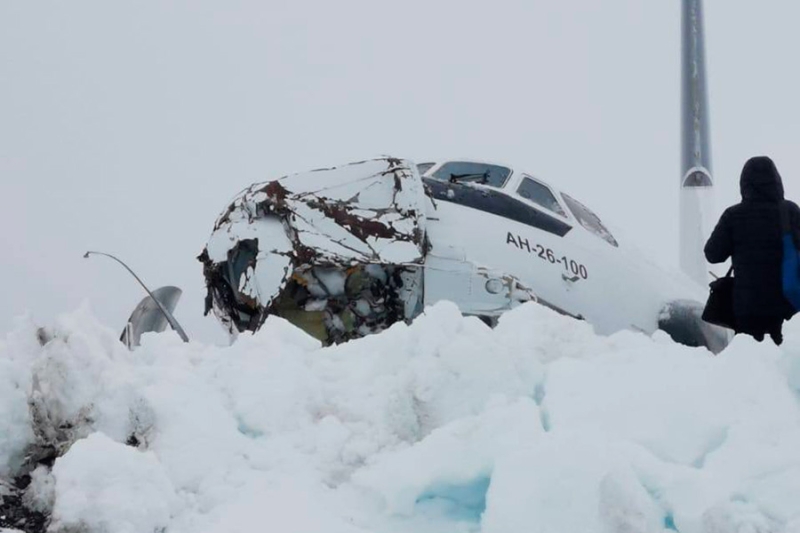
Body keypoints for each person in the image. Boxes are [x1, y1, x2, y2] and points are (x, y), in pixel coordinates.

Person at [704, 156, 800, 345]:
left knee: (749, 363)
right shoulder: (790, 211)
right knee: (786, 360)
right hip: (786, 305)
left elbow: (713, 254)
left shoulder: (733, 215)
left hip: (747, 308)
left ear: (744, 184)